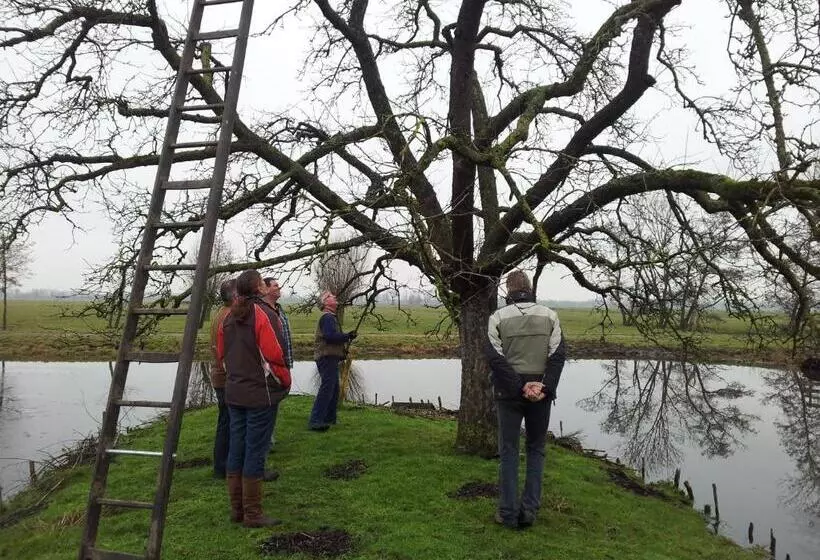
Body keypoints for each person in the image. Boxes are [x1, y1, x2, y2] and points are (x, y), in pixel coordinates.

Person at [484, 269, 566, 529]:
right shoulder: (550, 316)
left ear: (508, 290)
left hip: (507, 394)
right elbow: (557, 356)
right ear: (529, 288)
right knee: (536, 449)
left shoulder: (497, 317)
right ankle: (529, 512)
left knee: (508, 451)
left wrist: (520, 387)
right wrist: (543, 387)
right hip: (539, 395)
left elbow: (495, 358)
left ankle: (507, 513)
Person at [216, 269, 292, 527]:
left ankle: (237, 510)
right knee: (255, 451)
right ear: (258, 288)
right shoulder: (262, 315)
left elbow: (221, 355)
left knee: (237, 448)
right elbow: (274, 355)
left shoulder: (227, 318)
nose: (264, 284)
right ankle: (253, 514)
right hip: (260, 395)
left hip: (234, 393)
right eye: (262, 281)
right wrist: (285, 381)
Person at [308, 291, 356, 431]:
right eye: (330, 297)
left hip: (329, 357)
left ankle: (329, 418)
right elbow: (330, 337)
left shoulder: (330, 317)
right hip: (326, 357)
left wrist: (346, 338)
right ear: (325, 303)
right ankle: (315, 421)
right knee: (327, 389)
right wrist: (346, 336)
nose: (334, 297)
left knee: (333, 389)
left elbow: (332, 337)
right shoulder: (327, 317)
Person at [209, 277, 236, 479]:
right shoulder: (229, 318)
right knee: (228, 422)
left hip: (220, 375)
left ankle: (222, 464)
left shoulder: (220, 313)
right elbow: (227, 352)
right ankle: (223, 465)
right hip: (226, 377)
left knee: (225, 420)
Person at [263, 277, 293, 451]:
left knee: (275, 402)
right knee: (269, 402)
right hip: (272, 366)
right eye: (275, 285)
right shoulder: (265, 312)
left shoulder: (280, 310)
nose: (278, 288)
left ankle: (269, 436)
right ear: (266, 290)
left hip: (284, 364)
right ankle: (266, 439)